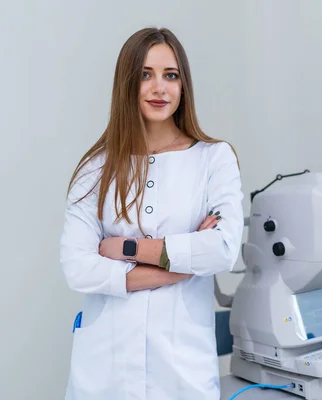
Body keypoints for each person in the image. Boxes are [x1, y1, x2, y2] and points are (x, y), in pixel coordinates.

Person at [59, 27, 244, 400]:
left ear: (183, 85)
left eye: (170, 75)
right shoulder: (96, 168)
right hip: (103, 372)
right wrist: (178, 266)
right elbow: (76, 266)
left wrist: (128, 249)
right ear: (126, 84)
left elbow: (223, 249)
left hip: (181, 374)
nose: (160, 88)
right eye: (146, 74)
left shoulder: (213, 159)